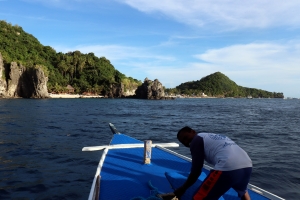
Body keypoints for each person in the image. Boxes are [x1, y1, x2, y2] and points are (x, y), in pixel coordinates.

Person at [174, 126, 252, 200]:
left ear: (193, 132)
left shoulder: (196, 140)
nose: (186, 142)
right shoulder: (209, 136)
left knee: (198, 197)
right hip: (247, 165)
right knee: (243, 191)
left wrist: (183, 189)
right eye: (183, 142)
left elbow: (196, 170)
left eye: (186, 138)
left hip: (228, 166)